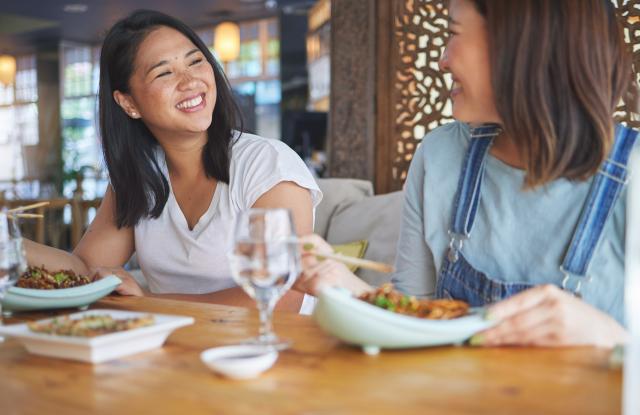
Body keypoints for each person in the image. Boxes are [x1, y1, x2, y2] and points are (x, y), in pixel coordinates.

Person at [298, 0, 638, 347]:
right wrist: (341, 283)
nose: (443, 60)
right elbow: (415, 320)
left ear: (521, 46)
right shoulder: (440, 155)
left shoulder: (634, 175)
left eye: (453, 34)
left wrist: (607, 336)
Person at [25, 10, 321, 305]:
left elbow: (283, 296)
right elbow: (88, 271)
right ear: (128, 102)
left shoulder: (266, 163)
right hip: (179, 347)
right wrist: (11, 245)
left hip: (281, 346)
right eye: (164, 72)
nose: (190, 80)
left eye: (195, 61)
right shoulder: (141, 175)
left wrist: (153, 301)